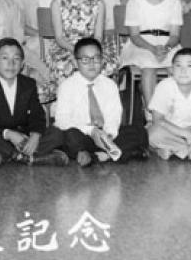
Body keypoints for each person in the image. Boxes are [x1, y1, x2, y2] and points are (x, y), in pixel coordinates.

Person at [0, 38, 68, 168]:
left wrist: (35, 136)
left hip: (24, 138)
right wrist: (8, 134)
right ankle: (30, 158)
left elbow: (37, 115)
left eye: (16, 59)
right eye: (5, 58)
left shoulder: (28, 84)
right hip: (0, 137)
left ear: (22, 64)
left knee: (57, 134)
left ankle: (13, 156)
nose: (11, 64)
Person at [55, 38, 148, 167]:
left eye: (96, 58)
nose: (92, 64)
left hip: (105, 135)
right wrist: (91, 131)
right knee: (68, 135)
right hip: (84, 134)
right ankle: (115, 154)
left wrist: (109, 134)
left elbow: (114, 115)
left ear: (103, 61)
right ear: (75, 63)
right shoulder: (66, 86)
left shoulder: (109, 85)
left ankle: (98, 156)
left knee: (139, 131)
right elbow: (62, 120)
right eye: (85, 60)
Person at [43, 0, 116, 102]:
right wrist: (77, 51)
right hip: (65, 48)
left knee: (104, 64)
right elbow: (59, 37)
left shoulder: (98, 3)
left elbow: (98, 37)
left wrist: (89, 53)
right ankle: (70, 107)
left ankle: (96, 107)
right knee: (67, 65)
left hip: (92, 48)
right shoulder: (58, 2)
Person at [118, 0, 183, 108]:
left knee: (179, 66)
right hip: (141, 44)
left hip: (167, 44)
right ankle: (151, 113)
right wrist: (153, 49)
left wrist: (165, 49)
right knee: (148, 65)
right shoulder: (134, 3)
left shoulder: (174, 3)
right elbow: (134, 36)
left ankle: (176, 113)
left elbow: (175, 35)